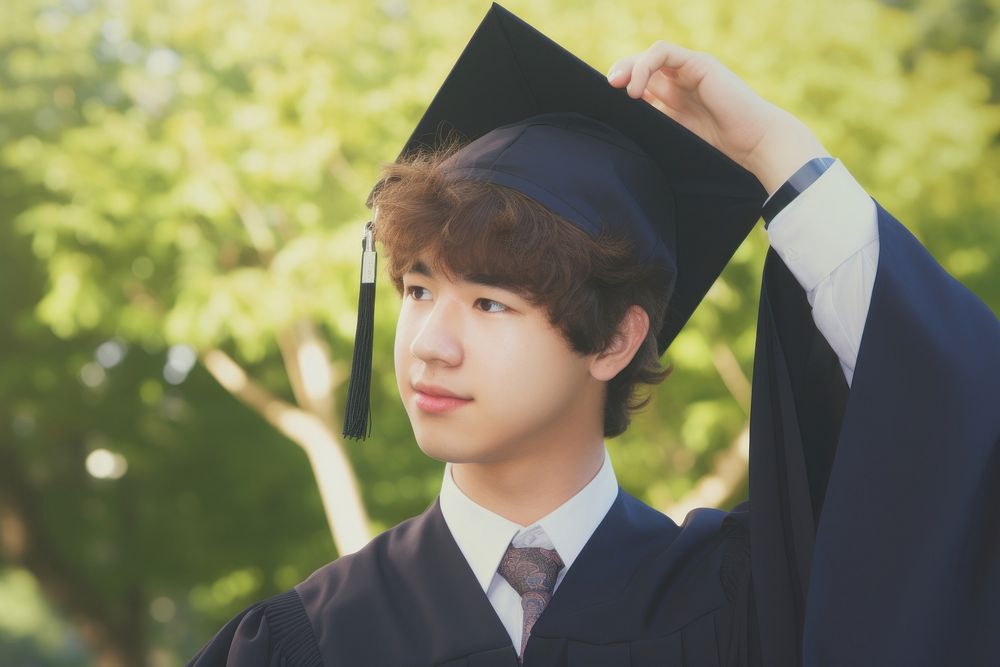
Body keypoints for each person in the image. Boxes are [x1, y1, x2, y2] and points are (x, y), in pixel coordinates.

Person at [189, 5, 999, 666]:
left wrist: (774, 153)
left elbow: (941, 424)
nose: (429, 342)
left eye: (490, 303)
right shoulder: (305, 641)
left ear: (614, 339)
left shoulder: (744, 602)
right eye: (419, 288)